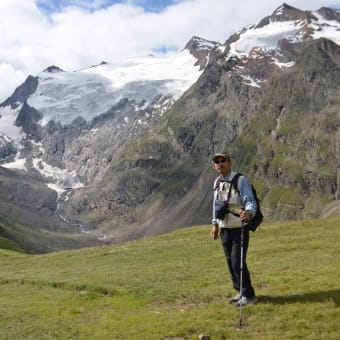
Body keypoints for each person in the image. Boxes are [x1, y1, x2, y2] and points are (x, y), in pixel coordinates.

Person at [210, 152, 257, 306]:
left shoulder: (240, 180)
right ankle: (240, 290)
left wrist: (248, 212)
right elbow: (216, 205)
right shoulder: (217, 182)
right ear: (214, 165)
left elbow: (249, 200)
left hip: (239, 227)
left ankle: (249, 295)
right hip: (225, 227)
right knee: (230, 261)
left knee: (238, 261)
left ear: (230, 163)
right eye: (217, 161)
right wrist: (215, 224)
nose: (220, 163)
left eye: (223, 160)